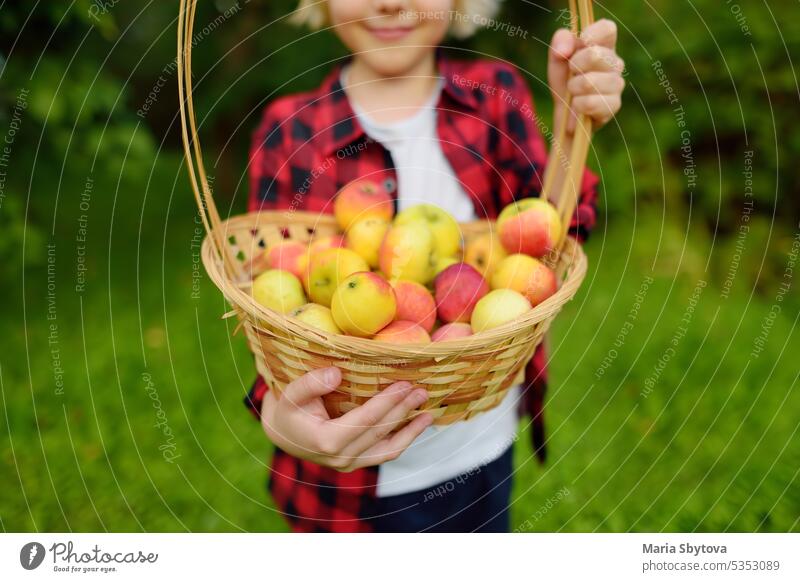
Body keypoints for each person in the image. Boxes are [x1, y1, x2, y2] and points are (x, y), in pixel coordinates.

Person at [245, 0, 625, 532]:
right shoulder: (288, 132)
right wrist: (279, 418)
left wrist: (569, 123)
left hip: (482, 448)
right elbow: (267, 304)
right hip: (346, 487)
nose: (390, 2)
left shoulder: (494, 98)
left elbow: (546, 241)